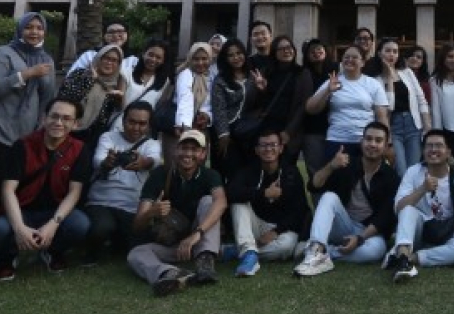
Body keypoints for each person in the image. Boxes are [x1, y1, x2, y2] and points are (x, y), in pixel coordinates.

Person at [0, 97, 91, 279]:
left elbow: (74, 191)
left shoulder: (79, 149)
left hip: (55, 209)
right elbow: (8, 189)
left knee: (80, 224)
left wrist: (53, 224)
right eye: (54, 116)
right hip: (22, 209)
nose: (58, 123)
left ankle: (52, 251)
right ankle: (7, 258)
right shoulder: (23, 145)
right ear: (44, 118)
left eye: (66, 119)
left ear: (76, 124)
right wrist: (19, 227)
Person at [126, 129, 227, 296]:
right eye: (184, 148)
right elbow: (137, 225)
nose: (188, 153)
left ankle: (205, 263)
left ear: (203, 153)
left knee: (209, 201)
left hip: (198, 240)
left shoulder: (210, 175)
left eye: (194, 149)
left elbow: (221, 202)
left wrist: (197, 234)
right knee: (135, 254)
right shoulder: (160, 174)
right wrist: (151, 212)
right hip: (173, 243)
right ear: (175, 150)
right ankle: (170, 273)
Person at [293, 121, 399, 276]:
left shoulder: (391, 177)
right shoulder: (347, 164)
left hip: (367, 231)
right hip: (342, 223)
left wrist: (360, 238)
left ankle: (325, 252)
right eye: (368, 139)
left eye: (378, 140)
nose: (372, 144)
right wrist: (331, 166)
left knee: (376, 251)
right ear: (362, 142)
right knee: (329, 197)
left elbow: (385, 217)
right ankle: (316, 250)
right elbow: (313, 186)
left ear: (385, 146)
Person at [0, 12, 56, 200]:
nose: (34, 32)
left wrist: (40, 124)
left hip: (23, 136)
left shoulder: (46, 60)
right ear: (20, 29)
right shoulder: (2, 53)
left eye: (39, 28)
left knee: (9, 188)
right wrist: (25, 75)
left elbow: (47, 97)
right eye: (28, 27)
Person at [387, 129, 454, 281]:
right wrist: (422, 189)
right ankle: (404, 256)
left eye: (439, 146)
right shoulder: (413, 172)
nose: (433, 150)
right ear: (423, 150)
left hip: (446, 235)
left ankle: (407, 259)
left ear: (448, 152)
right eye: (429, 146)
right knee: (408, 210)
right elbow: (398, 208)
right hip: (418, 234)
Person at [83, 100, 162, 263]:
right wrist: (108, 162)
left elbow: (155, 160)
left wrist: (143, 163)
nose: (136, 127)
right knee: (102, 228)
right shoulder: (108, 137)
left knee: (139, 243)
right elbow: (97, 160)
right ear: (123, 120)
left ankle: (115, 242)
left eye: (142, 123)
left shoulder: (152, 144)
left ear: (148, 125)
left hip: (132, 207)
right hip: (102, 202)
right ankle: (93, 252)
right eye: (132, 122)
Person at [225, 129, 310, 277]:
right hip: (256, 224)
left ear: (281, 148)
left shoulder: (291, 173)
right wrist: (263, 193)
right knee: (238, 204)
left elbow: (300, 210)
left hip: (281, 228)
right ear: (257, 150)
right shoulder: (248, 171)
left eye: (273, 145)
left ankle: (240, 251)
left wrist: (276, 231)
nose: (268, 149)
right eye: (263, 145)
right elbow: (231, 193)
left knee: (287, 247)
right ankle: (249, 255)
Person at [303, 46, 389, 159]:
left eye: (354, 57)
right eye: (346, 57)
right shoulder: (333, 81)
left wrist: (387, 143)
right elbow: (310, 108)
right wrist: (327, 90)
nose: (349, 60)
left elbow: (382, 117)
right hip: (336, 140)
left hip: (365, 142)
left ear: (363, 62)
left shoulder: (373, 84)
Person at [365, 37, 430, 176]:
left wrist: (427, 128)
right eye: (388, 51)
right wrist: (389, 78)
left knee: (414, 170)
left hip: (413, 125)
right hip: (392, 126)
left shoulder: (406, 72)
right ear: (379, 53)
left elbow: (421, 100)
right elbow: (389, 107)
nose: (392, 55)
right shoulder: (374, 79)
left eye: (395, 51)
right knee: (400, 171)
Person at [203, 38, 262, 174]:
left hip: (247, 132)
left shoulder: (252, 76)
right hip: (226, 133)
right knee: (228, 171)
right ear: (225, 58)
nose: (236, 58)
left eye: (239, 53)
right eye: (231, 55)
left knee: (248, 171)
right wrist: (223, 134)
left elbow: (258, 104)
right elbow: (219, 108)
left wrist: (261, 89)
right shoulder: (221, 80)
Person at [55, 44, 128, 141]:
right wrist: (90, 80)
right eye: (106, 58)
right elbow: (66, 98)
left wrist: (120, 99)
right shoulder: (79, 74)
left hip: (93, 136)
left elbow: (117, 111)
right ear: (98, 58)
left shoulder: (118, 84)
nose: (109, 63)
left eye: (114, 60)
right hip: (67, 129)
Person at [257, 35, 310, 165]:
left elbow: (304, 105)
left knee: (286, 168)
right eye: (282, 48)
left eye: (289, 47)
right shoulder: (267, 72)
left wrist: (289, 132)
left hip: (289, 130)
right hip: (267, 129)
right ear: (274, 52)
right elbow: (260, 103)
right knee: (266, 165)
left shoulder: (302, 73)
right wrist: (261, 90)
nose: (287, 51)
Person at [300, 38, 337, 175]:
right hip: (312, 130)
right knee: (315, 170)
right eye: (312, 51)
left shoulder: (336, 70)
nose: (316, 52)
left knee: (335, 171)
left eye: (319, 49)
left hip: (334, 128)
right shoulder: (304, 74)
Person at [121, 38, 173, 126]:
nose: (153, 59)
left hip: (143, 128)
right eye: (150, 55)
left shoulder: (164, 81)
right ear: (143, 54)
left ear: (163, 60)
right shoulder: (127, 73)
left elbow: (157, 107)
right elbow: (120, 103)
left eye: (158, 57)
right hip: (122, 122)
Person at [171, 41, 214, 143]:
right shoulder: (186, 74)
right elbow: (185, 100)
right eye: (196, 59)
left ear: (210, 59)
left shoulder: (212, 76)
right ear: (190, 59)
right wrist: (185, 126)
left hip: (201, 126)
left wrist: (206, 115)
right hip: (181, 127)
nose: (200, 63)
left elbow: (211, 101)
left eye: (204, 59)